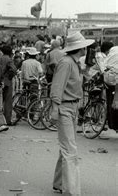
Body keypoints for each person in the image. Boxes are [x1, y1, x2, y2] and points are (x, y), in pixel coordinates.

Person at [49, 32, 94, 195]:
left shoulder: (74, 63)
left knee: (66, 147)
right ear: (80, 48)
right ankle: (72, 191)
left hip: (72, 108)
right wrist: (54, 110)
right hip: (65, 108)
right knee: (70, 149)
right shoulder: (66, 63)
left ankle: (59, 183)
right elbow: (57, 87)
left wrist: (88, 66)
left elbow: (83, 78)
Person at [0, 45, 16, 125]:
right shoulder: (9, 59)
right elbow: (14, 69)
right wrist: (9, 76)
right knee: (8, 101)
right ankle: (7, 120)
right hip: (7, 82)